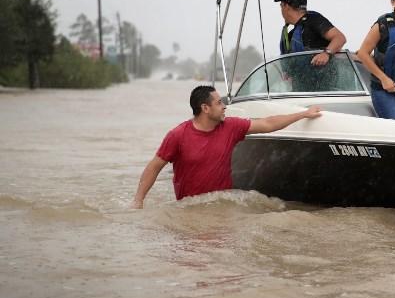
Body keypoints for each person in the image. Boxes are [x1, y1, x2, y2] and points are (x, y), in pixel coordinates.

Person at [131, 85, 322, 208]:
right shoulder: (178, 135)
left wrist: (303, 114)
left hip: (223, 205)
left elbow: (268, 124)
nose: (224, 106)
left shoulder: (230, 127)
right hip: (189, 209)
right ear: (205, 108)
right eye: (219, 102)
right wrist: (138, 200)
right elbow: (155, 166)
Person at [275, 0, 346, 66]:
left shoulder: (313, 19)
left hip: (325, 76)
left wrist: (326, 53)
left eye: (281, 6)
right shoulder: (291, 35)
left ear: (286, 6)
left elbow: (340, 38)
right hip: (303, 77)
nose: (281, 10)